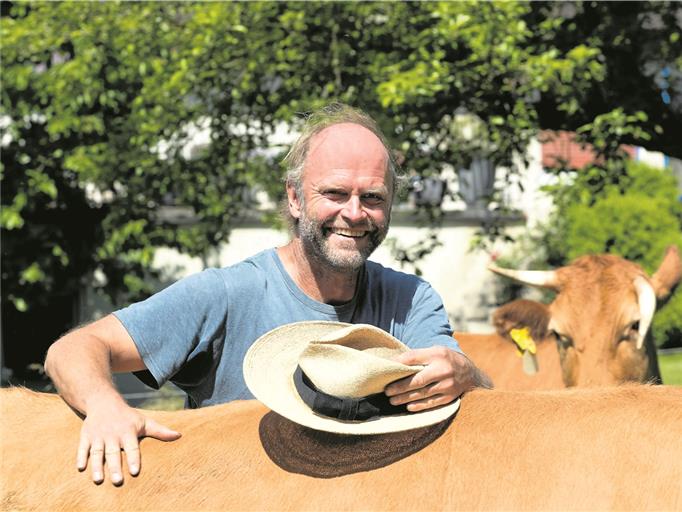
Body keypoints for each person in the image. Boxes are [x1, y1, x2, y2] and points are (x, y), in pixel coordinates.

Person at [45, 103, 490, 486]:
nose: (354, 214)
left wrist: (468, 374)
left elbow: (471, 398)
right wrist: (105, 406)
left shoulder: (411, 300)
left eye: (372, 197)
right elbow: (75, 348)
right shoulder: (225, 294)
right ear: (295, 198)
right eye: (334, 193)